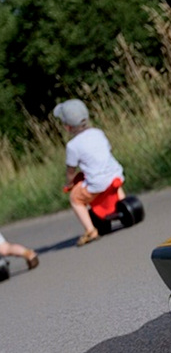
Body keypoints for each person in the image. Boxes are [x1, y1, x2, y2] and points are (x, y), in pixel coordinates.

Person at [53, 99, 125, 246]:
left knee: (75, 198)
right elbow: (108, 150)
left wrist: (68, 183)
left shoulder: (72, 146)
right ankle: (122, 204)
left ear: (67, 127)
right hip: (115, 174)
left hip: (97, 184)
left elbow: (71, 171)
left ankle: (91, 230)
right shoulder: (98, 132)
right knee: (112, 181)